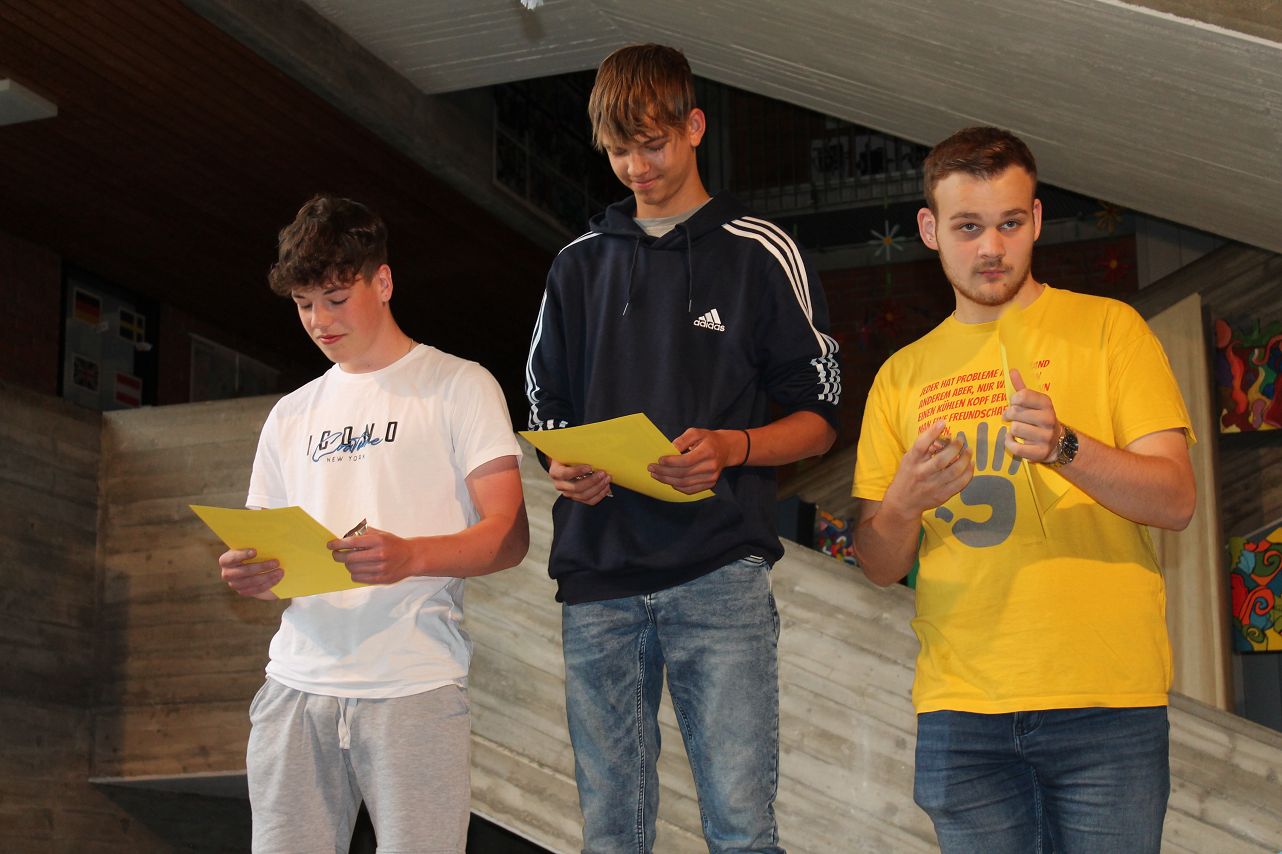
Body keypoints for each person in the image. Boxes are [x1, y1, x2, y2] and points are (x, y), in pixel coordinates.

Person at [524, 43, 841, 854]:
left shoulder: (758, 252)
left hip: (718, 574)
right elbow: (545, 408)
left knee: (740, 827)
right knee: (610, 834)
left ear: (695, 127)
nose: (637, 167)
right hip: (598, 579)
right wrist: (561, 465)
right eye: (618, 151)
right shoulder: (576, 267)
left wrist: (733, 446)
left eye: (653, 144)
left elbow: (820, 417)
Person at [852, 126, 1196, 853]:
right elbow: (879, 565)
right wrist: (903, 504)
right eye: (967, 227)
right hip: (961, 712)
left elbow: (1175, 499)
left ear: (1037, 219)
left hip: (1106, 702)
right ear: (929, 230)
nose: (991, 248)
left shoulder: (1111, 330)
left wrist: (1066, 447)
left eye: (1010, 223)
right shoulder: (900, 376)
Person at [217, 194, 528, 853]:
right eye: (304, 304)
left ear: (382, 281)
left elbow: (509, 534)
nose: (319, 321)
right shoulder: (290, 414)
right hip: (295, 684)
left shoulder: (458, 385)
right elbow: (266, 548)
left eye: (335, 298)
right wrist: (253, 573)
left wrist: (411, 556)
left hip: (413, 685)